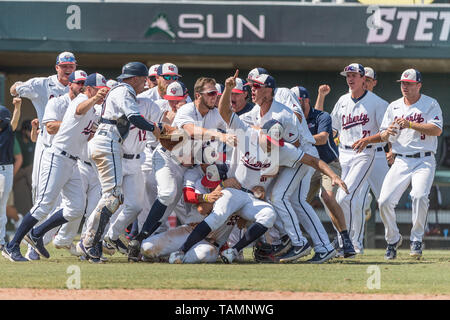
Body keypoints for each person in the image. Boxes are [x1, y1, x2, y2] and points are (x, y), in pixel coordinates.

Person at [2, 73, 108, 262]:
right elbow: (80, 109)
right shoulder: (82, 100)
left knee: (76, 208)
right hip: (57, 156)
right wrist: (94, 98)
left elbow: (87, 133)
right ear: (89, 89)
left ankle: (37, 233)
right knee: (43, 205)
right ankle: (12, 246)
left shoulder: (96, 108)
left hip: (73, 160)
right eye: (96, 89)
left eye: (103, 90)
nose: (101, 93)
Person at [127, 76, 233, 261]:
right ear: (198, 95)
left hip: (189, 165)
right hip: (168, 159)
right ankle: (141, 240)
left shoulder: (214, 113)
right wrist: (216, 134)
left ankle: (147, 243)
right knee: (167, 194)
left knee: (182, 210)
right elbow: (190, 130)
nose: (214, 97)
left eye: (216, 93)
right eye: (211, 93)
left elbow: (233, 122)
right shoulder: (187, 109)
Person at [352, 68, 443, 260]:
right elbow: (386, 134)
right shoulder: (393, 106)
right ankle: (393, 239)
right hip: (401, 159)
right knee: (384, 201)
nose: (405, 87)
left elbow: (436, 130)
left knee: (419, 196)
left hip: (424, 159)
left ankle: (416, 239)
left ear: (419, 85)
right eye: (403, 83)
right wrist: (388, 139)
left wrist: (409, 124)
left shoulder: (430, 103)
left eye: (409, 84)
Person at [79, 62, 161, 261]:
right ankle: (89, 242)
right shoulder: (124, 90)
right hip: (108, 143)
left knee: (117, 198)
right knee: (113, 197)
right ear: (134, 79)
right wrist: (154, 128)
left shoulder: (121, 90)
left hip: (109, 142)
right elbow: (135, 118)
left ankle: (93, 242)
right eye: (142, 80)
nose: (144, 84)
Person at [330, 63, 389, 255]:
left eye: (354, 75)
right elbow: (334, 128)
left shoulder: (377, 103)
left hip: (366, 153)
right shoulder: (342, 100)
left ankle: (351, 243)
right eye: (348, 75)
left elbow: (387, 133)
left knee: (345, 197)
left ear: (364, 79)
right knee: (344, 200)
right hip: (343, 153)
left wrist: (369, 140)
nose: (350, 78)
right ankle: (346, 243)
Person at [291, 85, 356, 258]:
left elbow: (322, 138)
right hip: (308, 167)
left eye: (298, 102)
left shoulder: (322, 116)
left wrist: (300, 140)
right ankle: (300, 242)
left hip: (329, 164)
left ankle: (345, 239)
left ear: (306, 100)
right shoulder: (291, 118)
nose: (295, 106)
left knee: (327, 197)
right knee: (297, 202)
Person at [9, 52, 77, 203]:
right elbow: (13, 90)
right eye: (64, 66)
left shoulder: (79, 84)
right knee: (40, 186)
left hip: (71, 142)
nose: (68, 70)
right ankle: (37, 224)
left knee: (69, 190)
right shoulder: (43, 84)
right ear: (57, 67)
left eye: (71, 66)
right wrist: (18, 85)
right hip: (48, 140)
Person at [0, 99, 22, 250]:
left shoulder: (8, 130)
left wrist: (17, 106)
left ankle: (1, 240)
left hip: (4, 170)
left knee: (1, 205)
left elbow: (14, 121)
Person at [13, 120, 35, 215]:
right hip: (16, 168)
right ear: (23, 130)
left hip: (28, 168)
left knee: (34, 188)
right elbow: (19, 159)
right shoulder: (16, 137)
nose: (31, 133)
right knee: (12, 189)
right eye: (29, 131)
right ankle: (15, 215)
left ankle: (35, 213)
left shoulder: (33, 139)